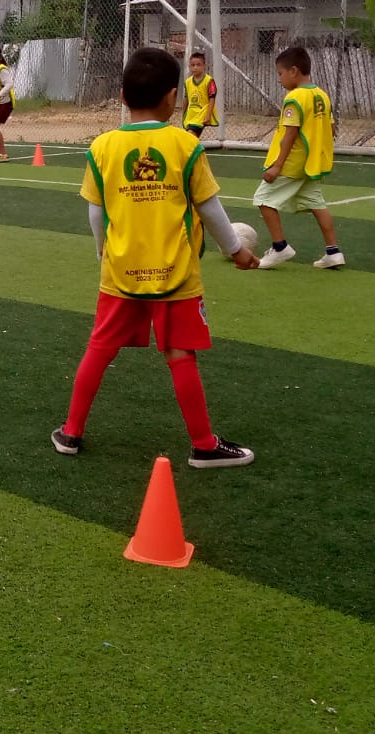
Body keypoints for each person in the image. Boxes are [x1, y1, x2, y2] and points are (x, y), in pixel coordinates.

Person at [51, 46, 257, 468]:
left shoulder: (102, 147)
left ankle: (70, 432)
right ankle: (203, 445)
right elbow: (210, 209)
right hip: (175, 273)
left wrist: (102, 252)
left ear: (122, 97)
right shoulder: (185, 145)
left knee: (99, 348)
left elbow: (96, 212)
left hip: (120, 271)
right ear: (173, 97)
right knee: (180, 355)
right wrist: (236, 251)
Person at [253, 45, 344, 270]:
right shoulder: (322, 95)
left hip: (292, 163)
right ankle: (334, 252)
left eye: (280, 73)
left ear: (293, 71)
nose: (279, 79)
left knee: (263, 199)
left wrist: (277, 166)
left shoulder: (294, 98)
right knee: (317, 204)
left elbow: (290, 135)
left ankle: (280, 247)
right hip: (311, 164)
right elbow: (332, 129)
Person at [181, 50, 218, 139]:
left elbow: (212, 99)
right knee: (190, 138)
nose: (195, 67)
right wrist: (184, 114)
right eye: (193, 65)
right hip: (191, 115)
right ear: (189, 66)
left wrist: (208, 115)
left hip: (201, 115)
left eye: (198, 65)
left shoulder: (209, 81)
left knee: (191, 136)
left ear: (204, 66)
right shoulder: (188, 82)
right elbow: (186, 98)